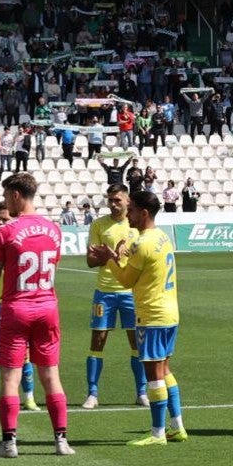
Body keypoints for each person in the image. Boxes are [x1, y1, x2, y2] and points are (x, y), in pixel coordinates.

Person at [0, 173, 74, 458]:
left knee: (10, 378)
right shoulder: (54, 229)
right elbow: (54, 265)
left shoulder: (6, 232)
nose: (6, 202)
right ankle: (61, 441)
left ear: (15, 195)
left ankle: (9, 444)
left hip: (16, 308)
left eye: (6, 195)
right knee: (51, 375)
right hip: (47, 306)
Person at [90, 190, 186, 446]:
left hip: (152, 316)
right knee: (165, 370)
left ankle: (157, 433)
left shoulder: (142, 243)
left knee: (154, 375)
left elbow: (125, 281)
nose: (128, 215)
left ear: (143, 213)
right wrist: (118, 257)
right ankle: (177, 426)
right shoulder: (162, 237)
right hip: (169, 313)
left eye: (131, 210)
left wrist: (110, 259)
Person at [83, 185, 147, 409]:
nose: (113, 204)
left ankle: (141, 392)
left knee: (136, 342)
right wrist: (108, 257)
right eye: (110, 200)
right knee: (97, 341)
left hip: (131, 292)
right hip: (105, 291)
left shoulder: (136, 225)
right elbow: (90, 260)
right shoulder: (99, 224)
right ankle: (92, 394)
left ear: (128, 201)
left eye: (117, 200)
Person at [0, 202, 37, 413]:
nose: (1, 223)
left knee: (24, 354)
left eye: (5, 219)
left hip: (17, 305)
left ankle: (29, 398)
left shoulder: (21, 243)